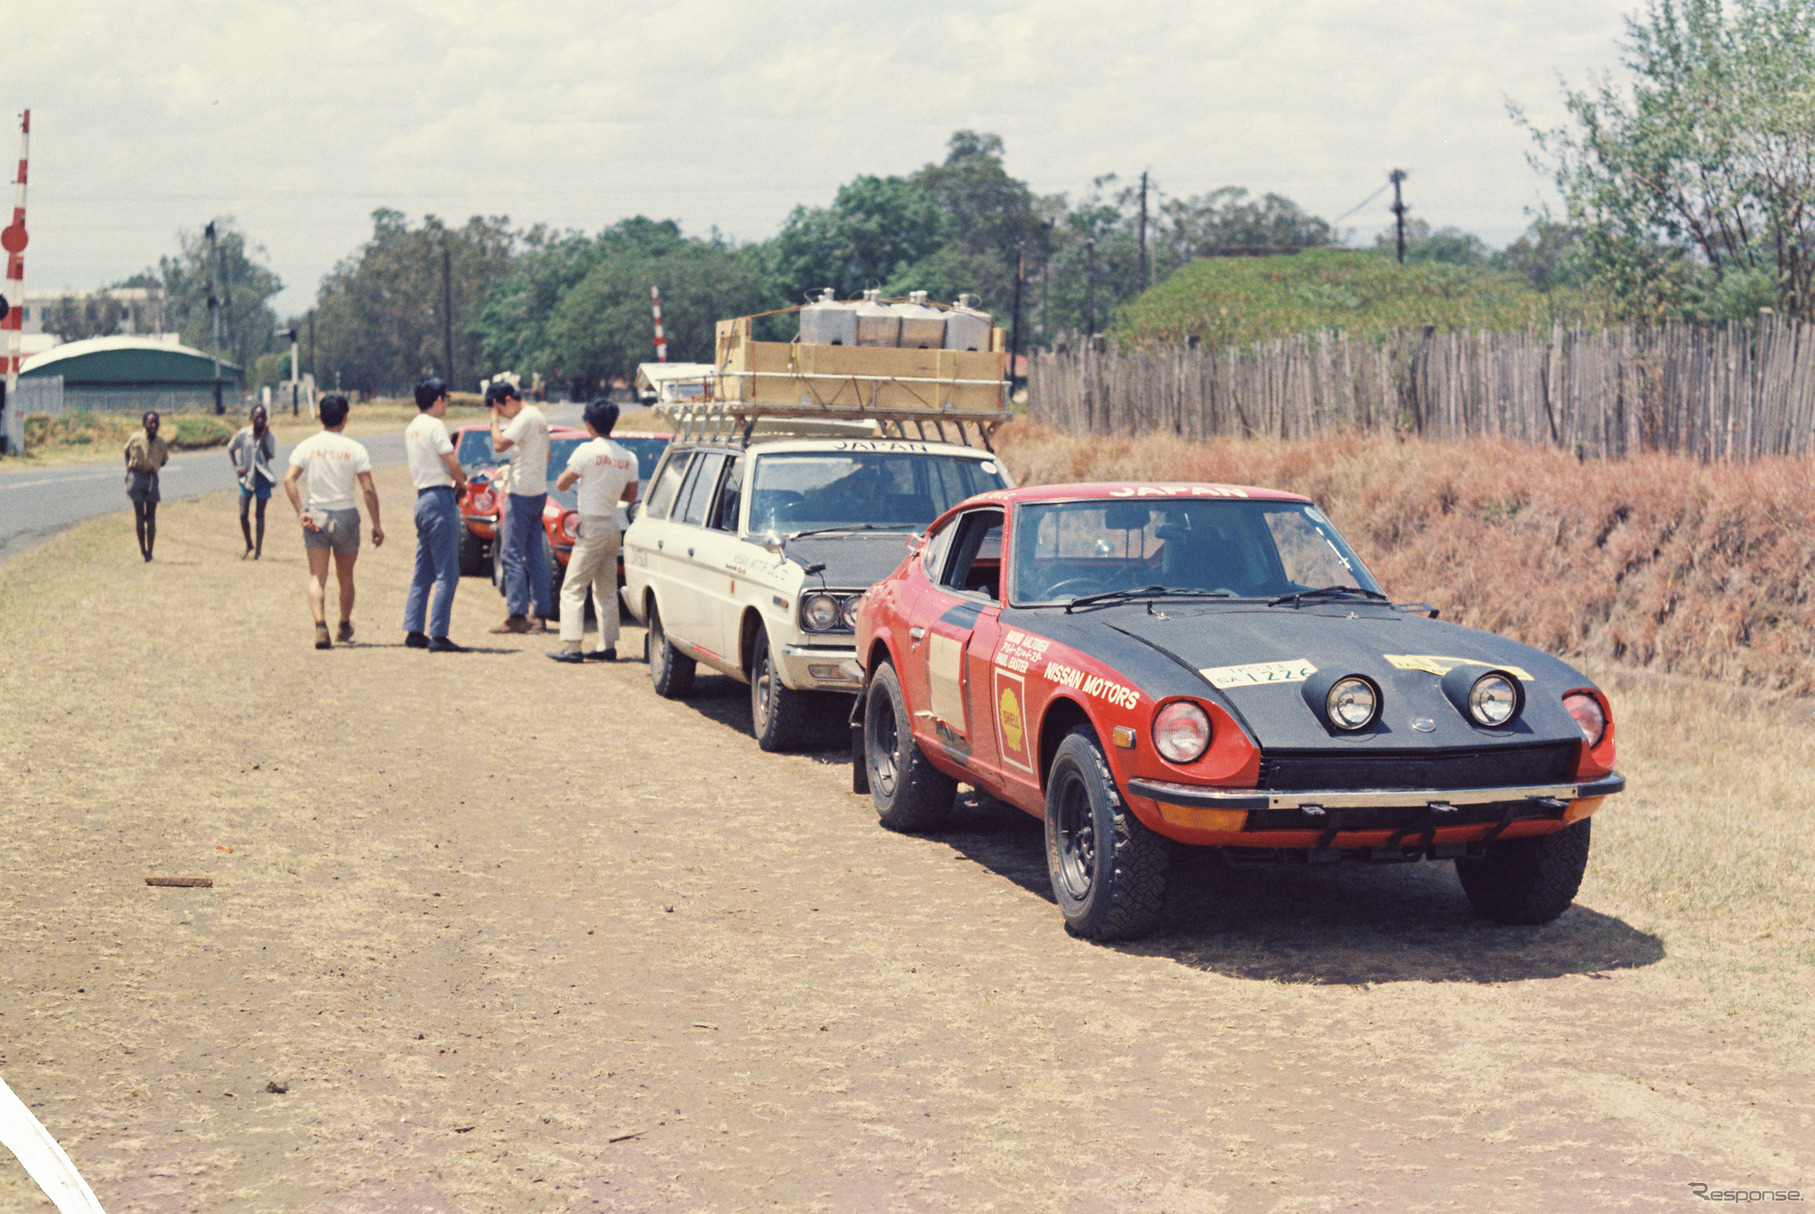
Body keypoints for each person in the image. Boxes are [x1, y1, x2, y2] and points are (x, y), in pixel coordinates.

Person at [282, 394, 384, 650]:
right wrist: (376, 524)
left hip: (316, 513)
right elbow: (368, 489)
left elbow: (289, 480)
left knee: (317, 576)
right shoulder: (355, 448)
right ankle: (343, 623)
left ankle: (320, 625)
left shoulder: (307, 446)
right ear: (345, 418)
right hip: (346, 515)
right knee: (345, 576)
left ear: (320, 417)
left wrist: (300, 511)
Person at [548, 399, 638, 663]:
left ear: (589, 424)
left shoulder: (586, 451)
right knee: (606, 589)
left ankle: (572, 646)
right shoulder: (627, 456)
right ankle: (607, 644)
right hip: (612, 525)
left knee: (573, 587)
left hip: (592, 523)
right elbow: (631, 496)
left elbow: (562, 484)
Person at [401, 376, 471, 653]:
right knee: (447, 572)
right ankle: (439, 634)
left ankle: (414, 629)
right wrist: (462, 481)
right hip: (439, 498)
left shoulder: (412, 427)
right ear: (438, 399)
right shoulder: (435, 425)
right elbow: (450, 459)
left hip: (422, 499)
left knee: (423, 570)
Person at [485, 380, 552, 633]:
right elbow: (547, 455)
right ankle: (540, 613)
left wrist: (493, 421)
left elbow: (499, 444)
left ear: (508, 401)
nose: (502, 416)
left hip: (521, 492)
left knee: (510, 554)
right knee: (535, 554)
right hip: (538, 491)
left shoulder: (524, 418)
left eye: (501, 410)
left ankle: (517, 614)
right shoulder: (539, 416)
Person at [228, 404, 277, 559]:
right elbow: (230, 448)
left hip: (262, 478)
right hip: (246, 477)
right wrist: (236, 466)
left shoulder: (270, 437)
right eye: (257, 416)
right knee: (243, 513)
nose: (260, 420)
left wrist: (262, 440)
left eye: (263, 416)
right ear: (251, 418)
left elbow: (269, 456)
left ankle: (258, 550)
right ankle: (249, 544)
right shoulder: (243, 434)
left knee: (259, 514)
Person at [123, 411, 169, 561]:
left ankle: (150, 552)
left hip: (151, 479)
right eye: (150, 422)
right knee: (139, 516)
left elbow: (164, 460)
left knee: (151, 516)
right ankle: (143, 550)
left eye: (156, 422)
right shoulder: (135, 438)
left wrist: (152, 467)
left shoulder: (161, 443)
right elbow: (126, 451)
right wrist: (129, 469)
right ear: (144, 424)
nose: (153, 425)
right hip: (136, 477)